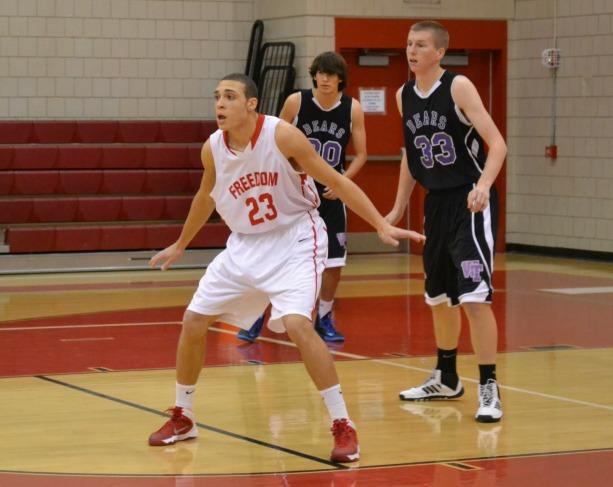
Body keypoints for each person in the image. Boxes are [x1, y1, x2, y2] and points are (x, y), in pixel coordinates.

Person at [147, 73, 425, 461]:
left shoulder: (282, 136)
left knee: (297, 324)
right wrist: (181, 243)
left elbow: (337, 183)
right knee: (193, 321)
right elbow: (205, 196)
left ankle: (343, 425)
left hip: (295, 237)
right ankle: (184, 416)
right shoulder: (212, 148)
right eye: (216, 97)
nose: (220, 105)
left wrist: (380, 222)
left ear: (251, 104)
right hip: (245, 244)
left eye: (229, 97)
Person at [385, 21, 507, 423]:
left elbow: (497, 144)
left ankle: (489, 386)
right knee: (438, 296)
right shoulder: (403, 95)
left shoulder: (458, 87)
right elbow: (409, 154)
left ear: (439, 52)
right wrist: (400, 204)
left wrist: (484, 186)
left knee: (474, 297)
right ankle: (447, 377)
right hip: (435, 204)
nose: (412, 50)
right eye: (408, 44)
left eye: (420, 45)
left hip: (470, 202)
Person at [238, 51, 366, 343]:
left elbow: (361, 154)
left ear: (340, 79)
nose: (324, 79)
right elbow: (271, 139)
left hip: (331, 191)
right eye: (320, 73)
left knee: (334, 262)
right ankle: (258, 314)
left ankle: (324, 315)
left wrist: (343, 181)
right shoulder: (296, 101)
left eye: (330, 74)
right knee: (275, 256)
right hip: (294, 190)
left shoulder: (352, 108)